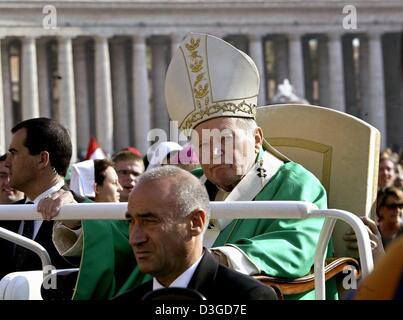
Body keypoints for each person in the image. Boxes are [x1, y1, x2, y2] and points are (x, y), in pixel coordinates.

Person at [163, 32, 335, 300]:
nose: (216, 152)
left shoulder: (296, 183)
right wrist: (79, 222)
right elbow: (140, 226)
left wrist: (218, 259)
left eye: (226, 139)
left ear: (256, 140)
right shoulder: (187, 187)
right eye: (204, 144)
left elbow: (296, 245)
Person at [114, 165, 277, 300]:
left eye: (150, 221)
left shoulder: (250, 297)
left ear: (195, 222)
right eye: (131, 222)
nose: (135, 239)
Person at [0, 118, 88, 279]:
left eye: (13, 153)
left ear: (42, 159)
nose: (6, 163)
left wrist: (77, 224)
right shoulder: (6, 215)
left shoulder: (87, 214)